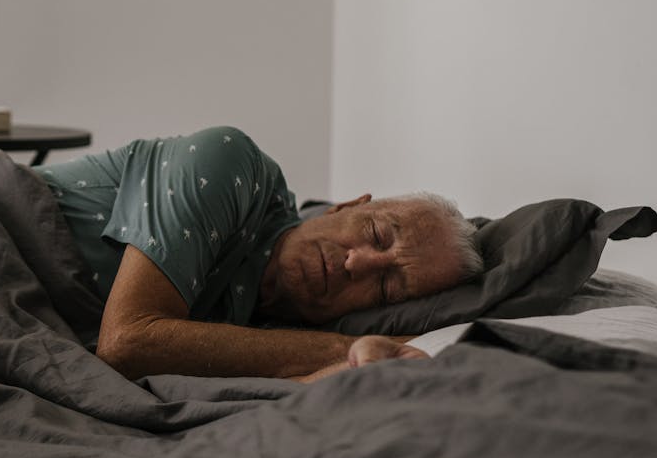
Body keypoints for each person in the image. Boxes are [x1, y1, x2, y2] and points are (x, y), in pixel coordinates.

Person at [39, 126, 484, 383]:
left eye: (386, 287)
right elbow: (128, 343)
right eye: (376, 234)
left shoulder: (270, 329)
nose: (356, 264)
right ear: (349, 205)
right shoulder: (229, 164)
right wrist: (353, 348)